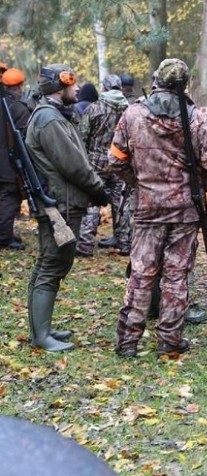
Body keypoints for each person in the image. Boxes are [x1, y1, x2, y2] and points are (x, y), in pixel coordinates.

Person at [109, 58, 207, 357]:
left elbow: (114, 160)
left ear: (157, 79)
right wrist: (194, 187)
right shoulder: (197, 118)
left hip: (148, 209)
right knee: (176, 275)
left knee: (141, 273)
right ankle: (169, 341)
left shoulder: (133, 114)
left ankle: (128, 342)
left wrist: (139, 183)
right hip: (185, 211)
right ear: (185, 84)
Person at [26, 64, 109, 352]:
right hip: (58, 206)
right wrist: (98, 189)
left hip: (60, 202)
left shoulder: (54, 116)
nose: (77, 89)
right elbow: (73, 164)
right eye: (72, 84)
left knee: (52, 262)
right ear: (60, 87)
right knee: (53, 262)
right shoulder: (49, 120)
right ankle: (41, 336)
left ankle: (42, 329)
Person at [76, 74, 131, 257]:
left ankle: (85, 245)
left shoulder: (95, 108)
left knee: (92, 201)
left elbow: (83, 135)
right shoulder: (130, 109)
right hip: (120, 161)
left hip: (96, 162)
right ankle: (125, 244)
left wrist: (83, 158)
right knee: (121, 202)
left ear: (105, 88)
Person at [1, 68, 31, 251]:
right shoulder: (18, 108)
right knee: (9, 198)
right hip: (8, 164)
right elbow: (25, 139)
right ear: (19, 87)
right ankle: (4, 238)